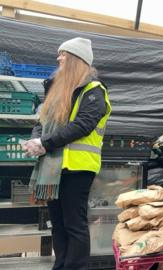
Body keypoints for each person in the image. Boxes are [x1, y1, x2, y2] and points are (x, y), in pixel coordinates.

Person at [22, 37, 112, 270]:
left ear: (77, 59)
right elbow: (42, 120)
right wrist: (36, 140)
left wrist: (44, 142)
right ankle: (61, 265)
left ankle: (75, 267)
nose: (58, 57)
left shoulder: (94, 90)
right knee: (58, 223)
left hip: (78, 167)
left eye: (63, 54)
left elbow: (82, 124)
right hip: (53, 167)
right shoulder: (56, 90)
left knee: (74, 223)